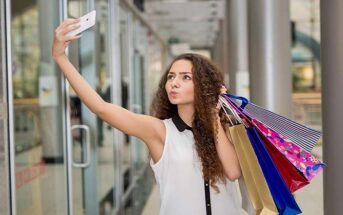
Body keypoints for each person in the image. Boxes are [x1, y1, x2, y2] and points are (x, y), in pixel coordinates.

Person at [52, 18, 242, 215]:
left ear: (204, 85)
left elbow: (233, 171)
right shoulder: (159, 131)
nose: (174, 83)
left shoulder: (225, 126)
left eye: (185, 77)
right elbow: (102, 108)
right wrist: (60, 57)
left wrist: (213, 116)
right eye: (171, 76)